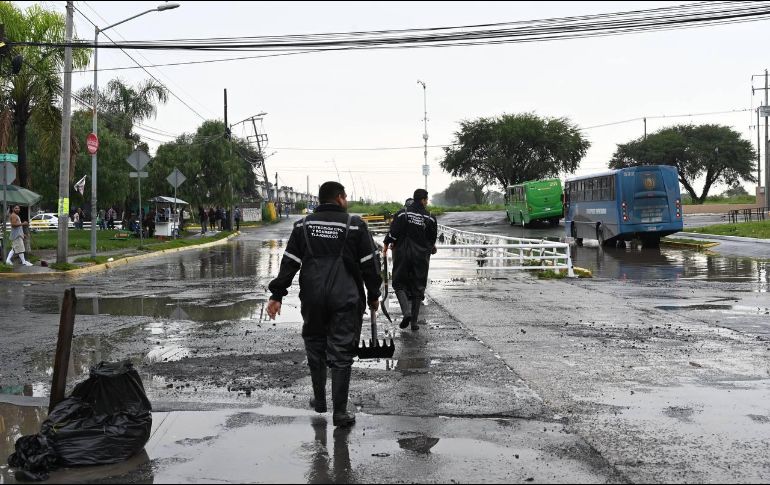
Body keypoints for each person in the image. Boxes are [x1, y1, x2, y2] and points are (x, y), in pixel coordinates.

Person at [267, 181, 382, 427]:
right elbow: (370, 265)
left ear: (320, 200)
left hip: (313, 295)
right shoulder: (355, 225)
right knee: (341, 351)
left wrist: (277, 295)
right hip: (345, 296)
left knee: (316, 344)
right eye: (346, 197)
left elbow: (290, 262)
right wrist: (374, 294)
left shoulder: (303, 225)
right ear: (340, 198)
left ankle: (320, 401)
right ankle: (339, 412)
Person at [382, 189, 437, 331]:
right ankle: (414, 323)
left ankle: (406, 312)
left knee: (399, 284)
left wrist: (387, 244)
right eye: (426, 199)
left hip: (403, 254)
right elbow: (432, 239)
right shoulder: (430, 217)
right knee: (418, 287)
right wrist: (430, 248)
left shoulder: (402, 213)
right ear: (424, 200)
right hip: (421, 257)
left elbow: (393, 233)